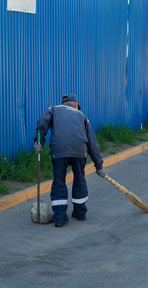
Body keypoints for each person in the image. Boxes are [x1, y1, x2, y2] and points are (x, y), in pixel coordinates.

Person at [34, 94, 106, 227]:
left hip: (60, 149)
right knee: (79, 179)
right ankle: (80, 213)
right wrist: (99, 165)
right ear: (76, 104)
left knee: (59, 180)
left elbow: (42, 122)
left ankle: (60, 218)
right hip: (79, 150)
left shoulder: (54, 109)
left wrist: (39, 141)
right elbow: (92, 143)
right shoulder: (82, 116)